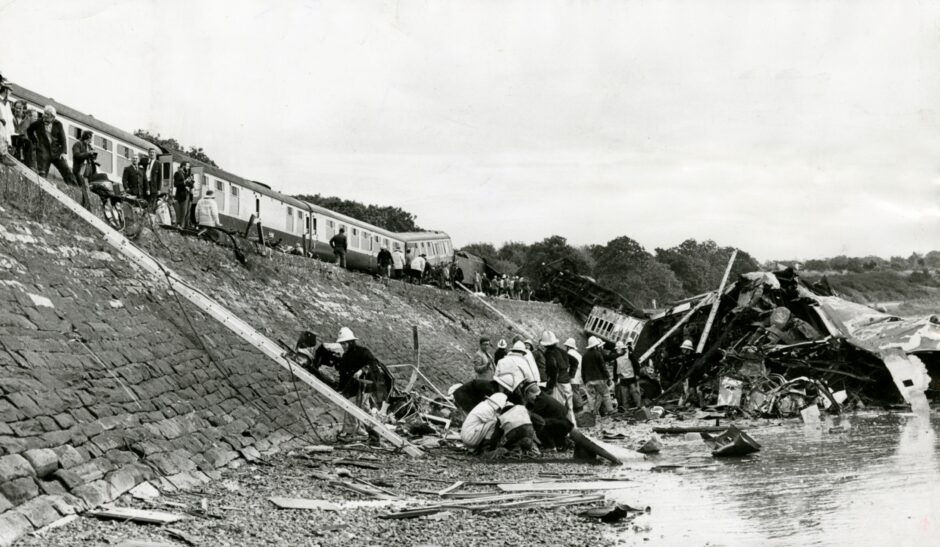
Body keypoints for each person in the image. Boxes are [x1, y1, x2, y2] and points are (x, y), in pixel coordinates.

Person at [335, 327, 391, 439]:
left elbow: (373, 363)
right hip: (352, 386)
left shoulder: (363, 352)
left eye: (344, 344)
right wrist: (341, 389)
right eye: (342, 344)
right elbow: (344, 374)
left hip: (364, 386)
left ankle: (350, 432)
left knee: (351, 406)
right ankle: (373, 428)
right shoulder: (345, 356)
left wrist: (361, 370)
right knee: (364, 408)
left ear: (350, 342)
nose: (343, 346)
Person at [521, 380, 573, 451]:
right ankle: (562, 443)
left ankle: (551, 446)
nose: (527, 399)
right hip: (565, 424)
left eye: (526, 396)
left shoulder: (541, 401)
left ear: (530, 393)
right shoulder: (543, 396)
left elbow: (532, 417)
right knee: (545, 422)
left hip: (562, 425)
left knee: (538, 423)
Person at [27, 105, 74, 184]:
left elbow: (63, 139)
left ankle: (74, 187)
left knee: (66, 169)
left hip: (56, 152)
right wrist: (34, 141)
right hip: (43, 151)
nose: (44, 116)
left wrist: (63, 152)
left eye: (47, 115)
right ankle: (41, 186)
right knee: (42, 173)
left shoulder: (58, 124)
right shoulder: (38, 123)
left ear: (53, 117)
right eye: (44, 114)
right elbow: (29, 130)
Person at [541, 331, 575, 425]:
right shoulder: (562, 351)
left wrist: (550, 387)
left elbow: (553, 369)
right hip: (566, 381)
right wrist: (570, 375)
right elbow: (575, 362)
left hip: (557, 383)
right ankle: (573, 427)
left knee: (558, 408)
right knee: (569, 407)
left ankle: (563, 429)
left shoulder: (548, 354)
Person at [581, 336, 613, 416]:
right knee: (605, 394)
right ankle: (610, 411)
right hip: (599, 379)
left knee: (593, 397)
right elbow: (603, 367)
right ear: (596, 345)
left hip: (588, 380)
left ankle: (593, 413)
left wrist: (585, 381)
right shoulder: (598, 354)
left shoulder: (584, 356)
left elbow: (583, 370)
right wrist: (608, 377)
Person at [614, 341, 644, 412]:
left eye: (619, 349)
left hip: (632, 378)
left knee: (635, 393)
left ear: (623, 349)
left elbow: (636, 365)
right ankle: (626, 410)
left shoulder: (630, 355)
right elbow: (615, 369)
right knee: (624, 396)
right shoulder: (616, 358)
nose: (618, 351)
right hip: (623, 380)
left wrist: (637, 374)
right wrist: (615, 379)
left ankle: (639, 407)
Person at [564, 337, 587, 413]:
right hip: (578, 376)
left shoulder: (569, 353)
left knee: (573, 392)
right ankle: (578, 407)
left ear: (568, 346)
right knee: (576, 391)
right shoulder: (579, 355)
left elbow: (568, 366)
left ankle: (579, 408)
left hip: (572, 376)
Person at [10, 100, 35, 168]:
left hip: (24, 150)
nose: (17, 110)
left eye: (20, 108)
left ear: (24, 109)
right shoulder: (10, 117)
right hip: (12, 147)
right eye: (16, 107)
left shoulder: (29, 120)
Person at [173, 162, 194, 228]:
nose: (188, 168)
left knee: (186, 212)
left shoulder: (187, 174)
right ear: (183, 166)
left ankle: (182, 226)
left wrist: (190, 183)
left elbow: (191, 185)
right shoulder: (178, 173)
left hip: (187, 195)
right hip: (181, 195)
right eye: (187, 166)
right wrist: (185, 182)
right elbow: (176, 184)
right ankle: (179, 225)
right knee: (182, 211)